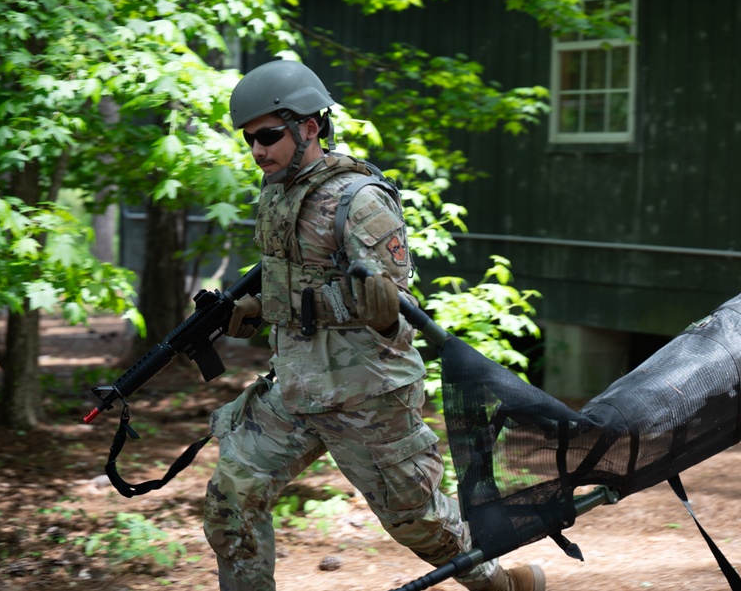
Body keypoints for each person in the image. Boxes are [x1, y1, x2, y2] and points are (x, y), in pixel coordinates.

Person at [202, 59, 545, 591]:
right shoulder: (276, 193)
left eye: (268, 136)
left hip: (366, 395)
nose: (258, 151)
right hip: (294, 390)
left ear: (309, 127)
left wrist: (373, 314)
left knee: (420, 521)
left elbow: (395, 313)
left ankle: (500, 583)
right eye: (250, 140)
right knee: (232, 499)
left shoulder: (360, 200)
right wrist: (255, 311)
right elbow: (289, 283)